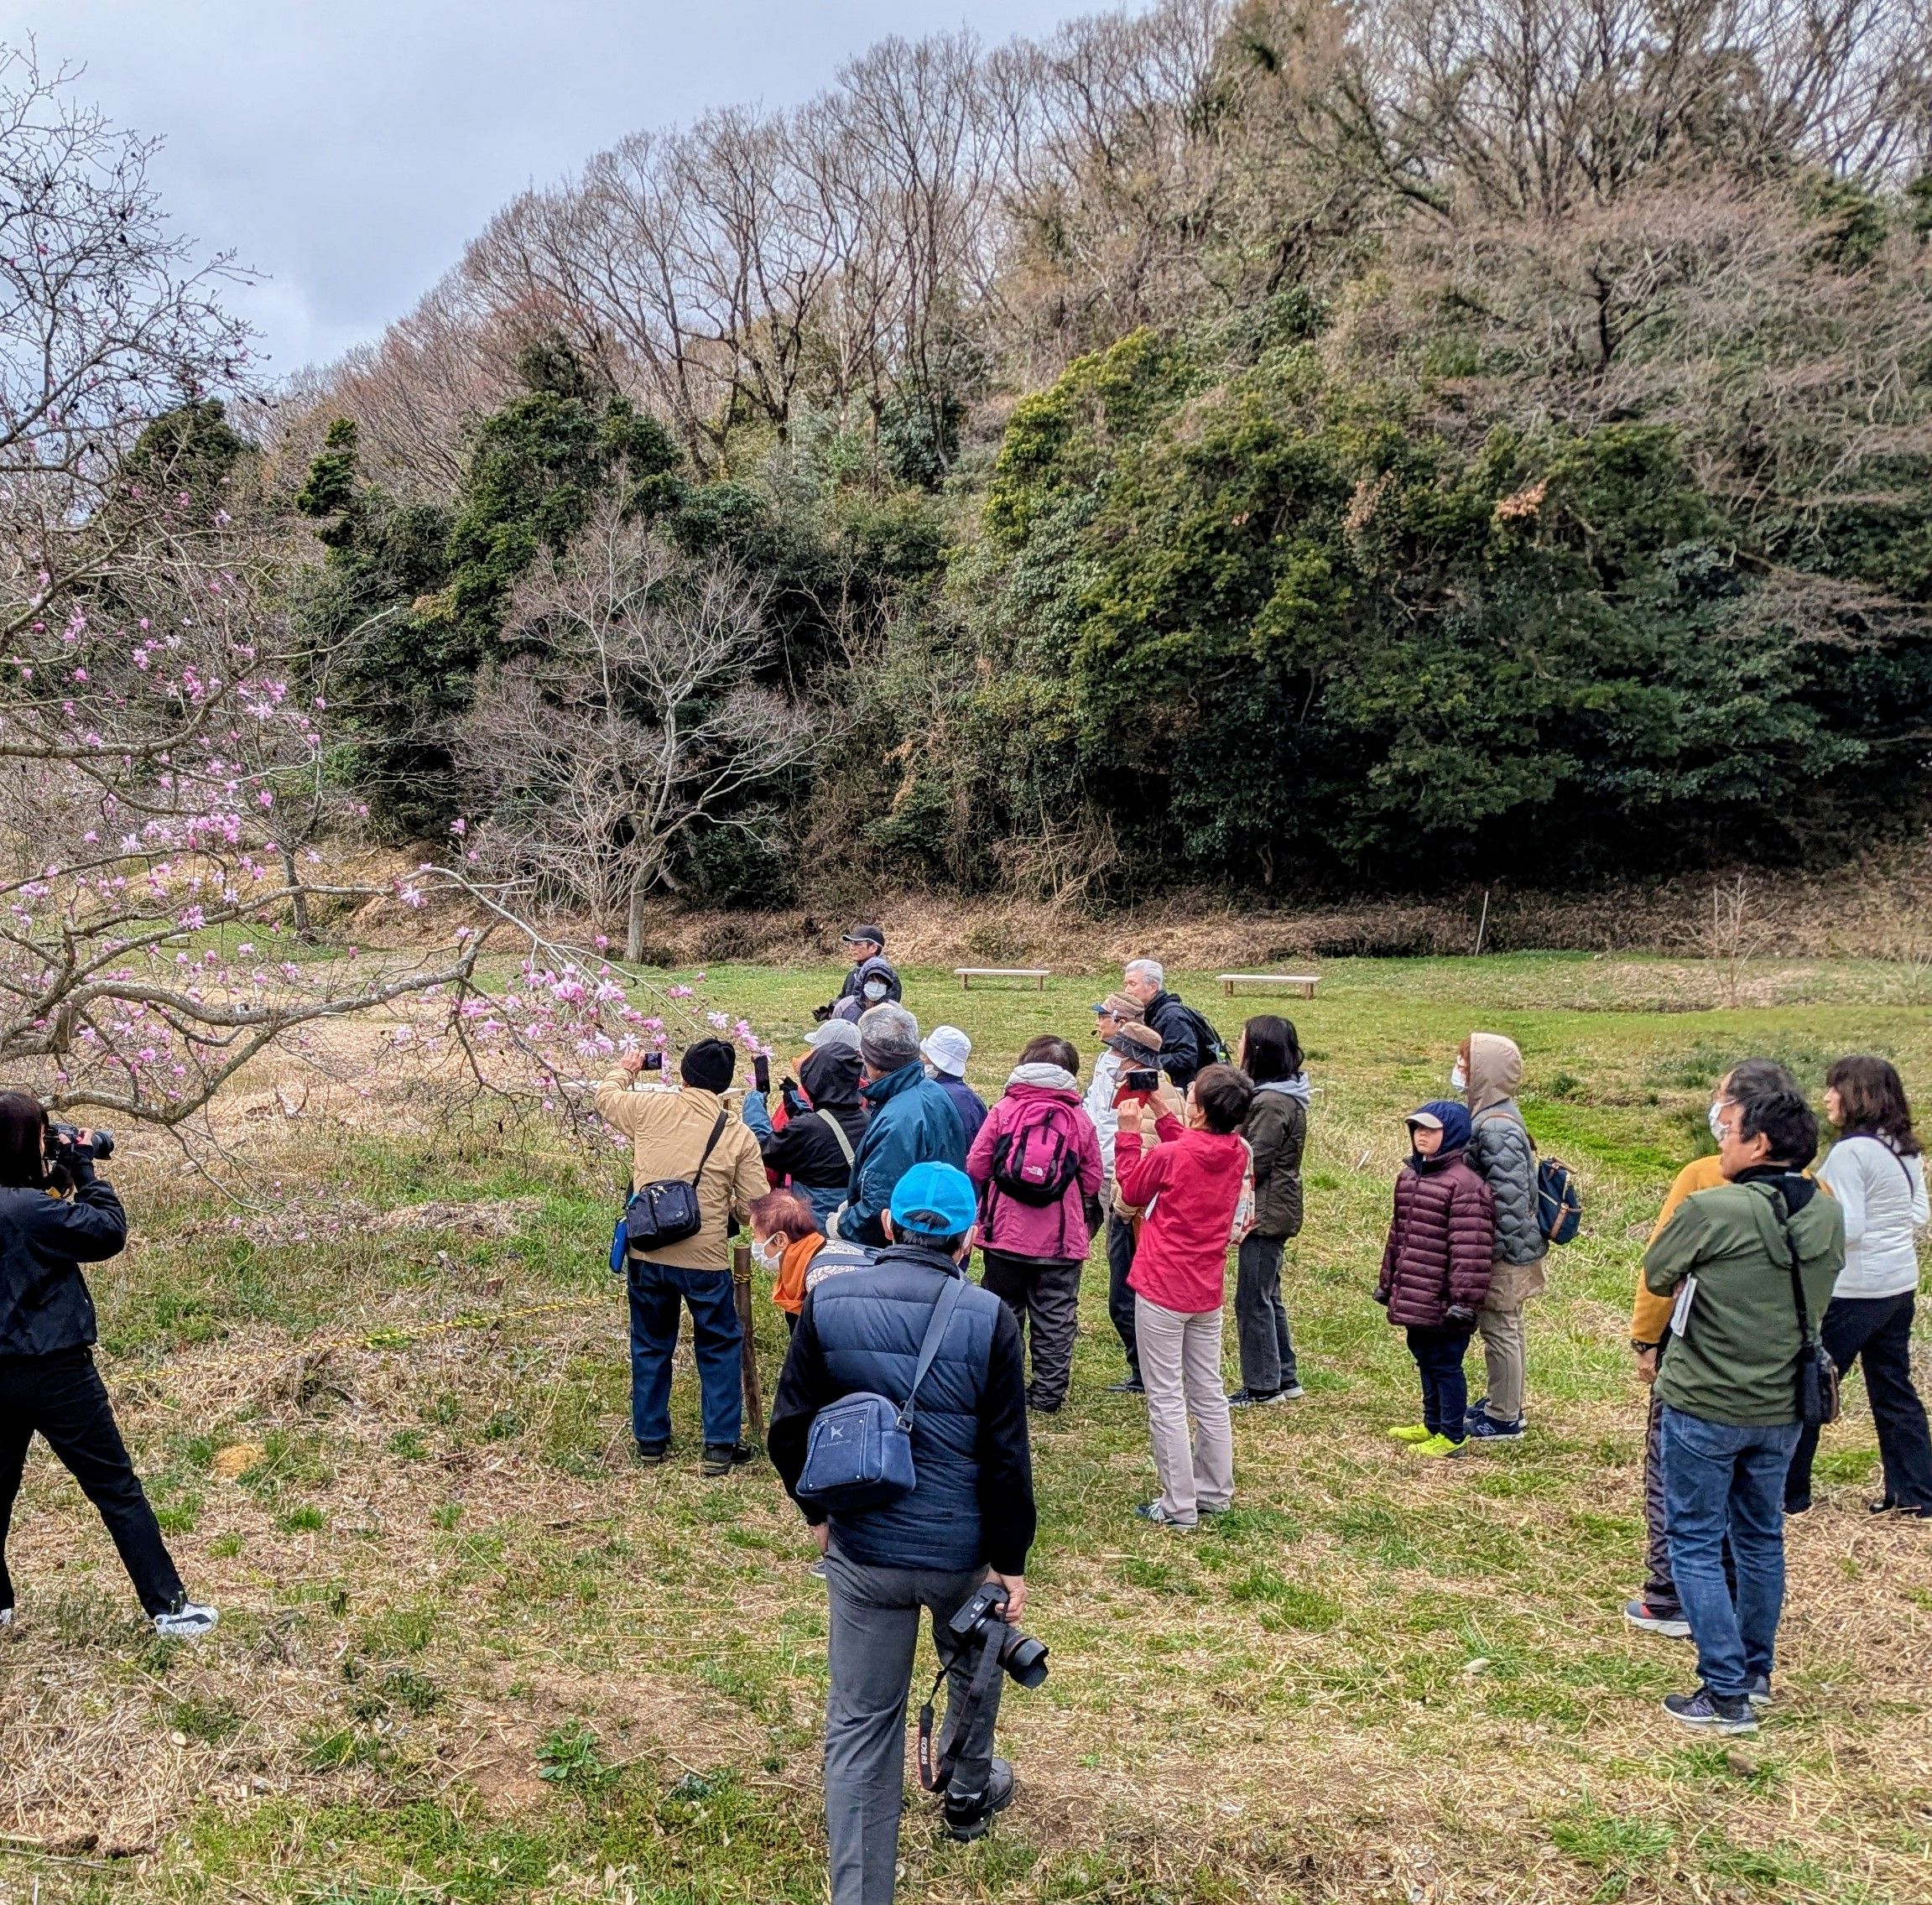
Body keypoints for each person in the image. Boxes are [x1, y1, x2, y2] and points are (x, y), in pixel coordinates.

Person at [768, 1163, 1036, 1898]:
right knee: (974, 1666)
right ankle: (966, 1792)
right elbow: (1006, 1457)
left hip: (864, 1549)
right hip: (959, 1550)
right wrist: (1008, 1561)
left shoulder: (828, 1299)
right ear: (969, 1237)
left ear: (888, 1225)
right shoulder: (990, 1317)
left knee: (861, 1724)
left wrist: (817, 1515)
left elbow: (787, 1430)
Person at [1643, 1086, 1845, 1734]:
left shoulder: (1712, 1208)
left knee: (1694, 1541)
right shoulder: (1826, 1211)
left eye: (1729, 1130)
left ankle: (1723, 1689)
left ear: (1758, 1144)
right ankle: (1754, 1674)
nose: (1721, 1141)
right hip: (1782, 1404)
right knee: (1759, 1537)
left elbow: (1656, 1271)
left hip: (1704, 1399)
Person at [0, 1094, 217, 1638]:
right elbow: (106, 1231)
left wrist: (54, 1177)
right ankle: (169, 1607)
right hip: (56, 1370)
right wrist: (84, 1171)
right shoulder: (31, 1211)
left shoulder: (27, 1205)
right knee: (115, 1487)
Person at [1625, 1060, 1797, 1638]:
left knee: (1672, 1480)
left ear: (1746, 1119)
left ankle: (1668, 1595)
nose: (1714, 1109)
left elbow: (1658, 1269)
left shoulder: (1702, 1177)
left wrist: (1646, 1339)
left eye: (1721, 1098)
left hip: (1698, 1360)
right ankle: (1739, 1606)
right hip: (1777, 1374)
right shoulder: (1814, 1192)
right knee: (1755, 1512)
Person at [597, 1038, 770, 1476]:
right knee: (719, 1344)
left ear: (683, 1075)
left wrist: (627, 1068)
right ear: (725, 1086)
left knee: (650, 1344)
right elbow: (754, 1207)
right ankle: (720, 1444)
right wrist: (725, 1207)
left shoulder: (648, 1109)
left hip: (648, 1249)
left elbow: (605, 1098)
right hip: (706, 1259)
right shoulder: (737, 1134)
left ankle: (650, 1440)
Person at [1784, 1055, 1932, 1519]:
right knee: (1894, 1389)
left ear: (1859, 1095)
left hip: (1853, 1291)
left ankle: (1789, 1494)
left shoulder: (1850, 1153)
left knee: (1810, 1386)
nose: (1827, 1097)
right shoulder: (1903, 1148)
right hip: (1899, 1285)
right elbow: (1919, 1214)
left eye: (1835, 1087)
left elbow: (1844, 1226)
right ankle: (1915, 1495)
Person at [1115, 1064, 1255, 1526]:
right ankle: (1214, 1491)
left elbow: (1133, 1189)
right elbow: (1194, 1151)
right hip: (1206, 1287)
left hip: (1162, 1285)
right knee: (1209, 1392)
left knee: (1166, 1397)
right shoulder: (1237, 1152)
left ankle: (1178, 1504)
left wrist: (1128, 1135)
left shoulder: (1171, 1155)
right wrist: (1162, 1112)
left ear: (1200, 1110)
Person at [966, 1035, 1105, 1414]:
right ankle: (1047, 1394)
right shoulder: (1079, 1118)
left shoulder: (1005, 1109)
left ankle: (1003, 1389)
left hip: (1005, 1233)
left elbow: (976, 1165)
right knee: (1056, 1316)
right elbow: (1093, 1179)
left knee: (1003, 1310)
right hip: (1060, 1239)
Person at [1377, 1101, 1496, 1459]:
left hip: (1445, 1300)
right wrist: (1388, 1283)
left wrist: (1463, 1302)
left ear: (1453, 1134)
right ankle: (1432, 1423)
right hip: (1416, 1293)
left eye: (1431, 1129)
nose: (1421, 1135)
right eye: (1417, 1128)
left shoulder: (1466, 1186)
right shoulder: (1409, 1178)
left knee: (1446, 1364)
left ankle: (1452, 1433)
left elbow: (1471, 1250)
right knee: (1424, 1357)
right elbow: (1398, 1235)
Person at [1457, 1033, 1547, 1441]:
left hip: (1504, 1250)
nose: (1460, 1069)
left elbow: (1508, 1202)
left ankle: (1503, 1417)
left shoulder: (1494, 1125)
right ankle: (1504, 1402)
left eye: (1466, 1062)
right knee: (1505, 1327)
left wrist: (1487, 1253)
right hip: (1509, 1245)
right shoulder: (1493, 1113)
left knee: (1501, 1328)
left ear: (1484, 1071)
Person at [831, 1005, 967, 1247]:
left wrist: (842, 1225)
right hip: (937, 1232)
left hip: (907, 1241)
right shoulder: (933, 1092)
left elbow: (879, 1203)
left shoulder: (899, 1120)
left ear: (876, 1063)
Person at [1230, 1016, 1310, 1407]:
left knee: (1252, 1299)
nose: (1237, 1044)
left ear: (1259, 1050)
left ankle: (1263, 1386)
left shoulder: (1271, 1102)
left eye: (1242, 1039)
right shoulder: (1277, 1095)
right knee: (1267, 1293)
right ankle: (1284, 1377)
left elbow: (1254, 1161)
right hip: (1273, 1206)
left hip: (1266, 1211)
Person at [1096, 1018, 1163, 1395]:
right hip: (1145, 1209)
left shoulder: (1140, 1101)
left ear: (1134, 1059)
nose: (1114, 1058)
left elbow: (1143, 1161)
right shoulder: (1163, 1092)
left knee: (1125, 1295)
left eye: (1119, 1052)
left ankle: (1144, 1370)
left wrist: (1120, 1209)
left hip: (1135, 1210)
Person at [742, 1041, 869, 1222]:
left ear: (816, 1080)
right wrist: (794, 1099)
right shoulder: (867, 1118)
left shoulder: (808, 1128)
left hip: (816, 1225)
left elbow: (765, 1147)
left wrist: (754, 1106)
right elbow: (825, 1125)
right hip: (850, 1220)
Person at [749, 1189, 874, 1335]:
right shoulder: (818, 1250)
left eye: (754, 1235)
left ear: (780, 1240)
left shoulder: (817, 1281)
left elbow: (842, 1339)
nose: (755, 1243)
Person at [1119, 959, 1218, 1091]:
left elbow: (1186, 1057)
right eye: (1126, 984)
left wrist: (1144, 1061)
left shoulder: (1172, 1016)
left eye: (1133, 984)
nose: (1127, 990)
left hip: (1181, 1090)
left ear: (1153, 987)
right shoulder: (1147, 1012)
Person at [817, 926, 902, 1023]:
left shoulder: (885, 976)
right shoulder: (854, 972)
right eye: (851, 943)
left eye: (858, 944)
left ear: (873, 948)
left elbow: (884, 1012)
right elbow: (845, 997)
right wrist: (831, 1010)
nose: (851, 948)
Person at [921, 1026, 989, 1146]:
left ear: (938, 1062)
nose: (923, 1060)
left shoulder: (928, 1097)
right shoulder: (975, 1101)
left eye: (926, 1056)